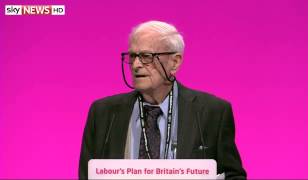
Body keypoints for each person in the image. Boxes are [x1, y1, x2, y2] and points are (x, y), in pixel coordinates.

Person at [79, 20, 246, 179]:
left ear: (175, 62)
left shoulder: (211, 112)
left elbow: (233, 175)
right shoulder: (103, 113)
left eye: (146, 56)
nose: (136, 64)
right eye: (132, 56)